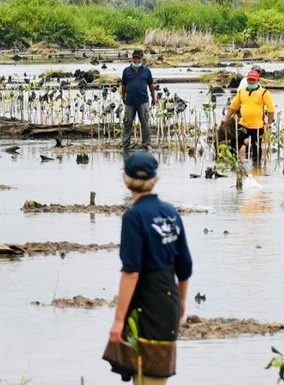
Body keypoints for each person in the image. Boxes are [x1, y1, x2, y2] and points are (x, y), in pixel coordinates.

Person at [103, 152, 193, 384]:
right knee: (152, 376)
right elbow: (185, 267)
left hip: (146, 305)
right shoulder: (171, 213)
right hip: (169, 303)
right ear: (155, 178)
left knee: (146, 377)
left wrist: (119, 319)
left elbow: (131, 272)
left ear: (126, 179)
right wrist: (181, 301)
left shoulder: (134, 217)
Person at [221, 69, 275, 163]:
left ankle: (256, 168)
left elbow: (271, 109)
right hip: (243, 125)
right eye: (249, 79)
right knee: (235, 144)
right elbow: (233, 106)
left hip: (257, 126)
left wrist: (269, 123)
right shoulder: (241, 92)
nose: (251, 81)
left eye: (253, 80)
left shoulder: (264, 93)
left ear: (257, 80)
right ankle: (232, 165)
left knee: (256, 149)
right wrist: (226, 117)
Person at [121, 50, 157, 151]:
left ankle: (146, 144)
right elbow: (123, 85)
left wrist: (153, 97)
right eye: (135, 58)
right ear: (132, 58)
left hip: (143, 101)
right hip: (130, 101)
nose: (136, 60)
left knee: (145, 123)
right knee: (127, 123)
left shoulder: (146, 71)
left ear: (141, 59)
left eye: (138, 58)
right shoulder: (126, 71)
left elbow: (151, 85)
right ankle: (125, 144)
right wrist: (123, 96)